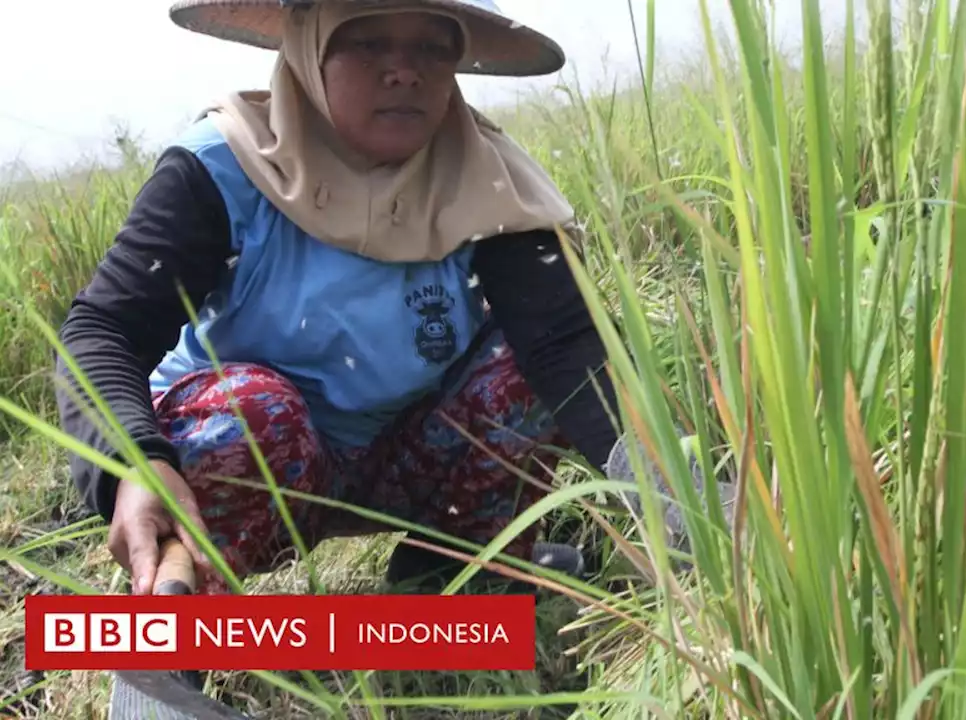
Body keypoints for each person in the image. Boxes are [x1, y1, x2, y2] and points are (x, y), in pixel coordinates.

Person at [54, 0, 625, 598]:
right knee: (256, 415)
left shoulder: (485, 178)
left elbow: (567, 342)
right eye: (369, 42)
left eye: (432, 48)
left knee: (525, 371)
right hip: (257, 456)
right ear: (309, 51)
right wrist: (131, 462)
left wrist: (662, 486)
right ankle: (180, 615)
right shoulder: (223, 166)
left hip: (409, 451)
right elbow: (105, 329)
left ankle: (452, 577)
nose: (405, 71)